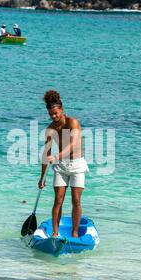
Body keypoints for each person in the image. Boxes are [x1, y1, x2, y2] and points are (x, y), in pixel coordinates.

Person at [39, 90, 89, 238]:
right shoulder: (50, 129)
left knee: (76, 200)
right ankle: (55, 233)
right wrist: (42, 177)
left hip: (77, 165)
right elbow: (45, 154)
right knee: (58, 200)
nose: (54, 116)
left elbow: (73, 144)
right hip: (61, 167)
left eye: (56, 113)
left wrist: (57, 155)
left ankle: (74, 233)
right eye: (51, 114)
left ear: (62, 110)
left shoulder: (73, 122)